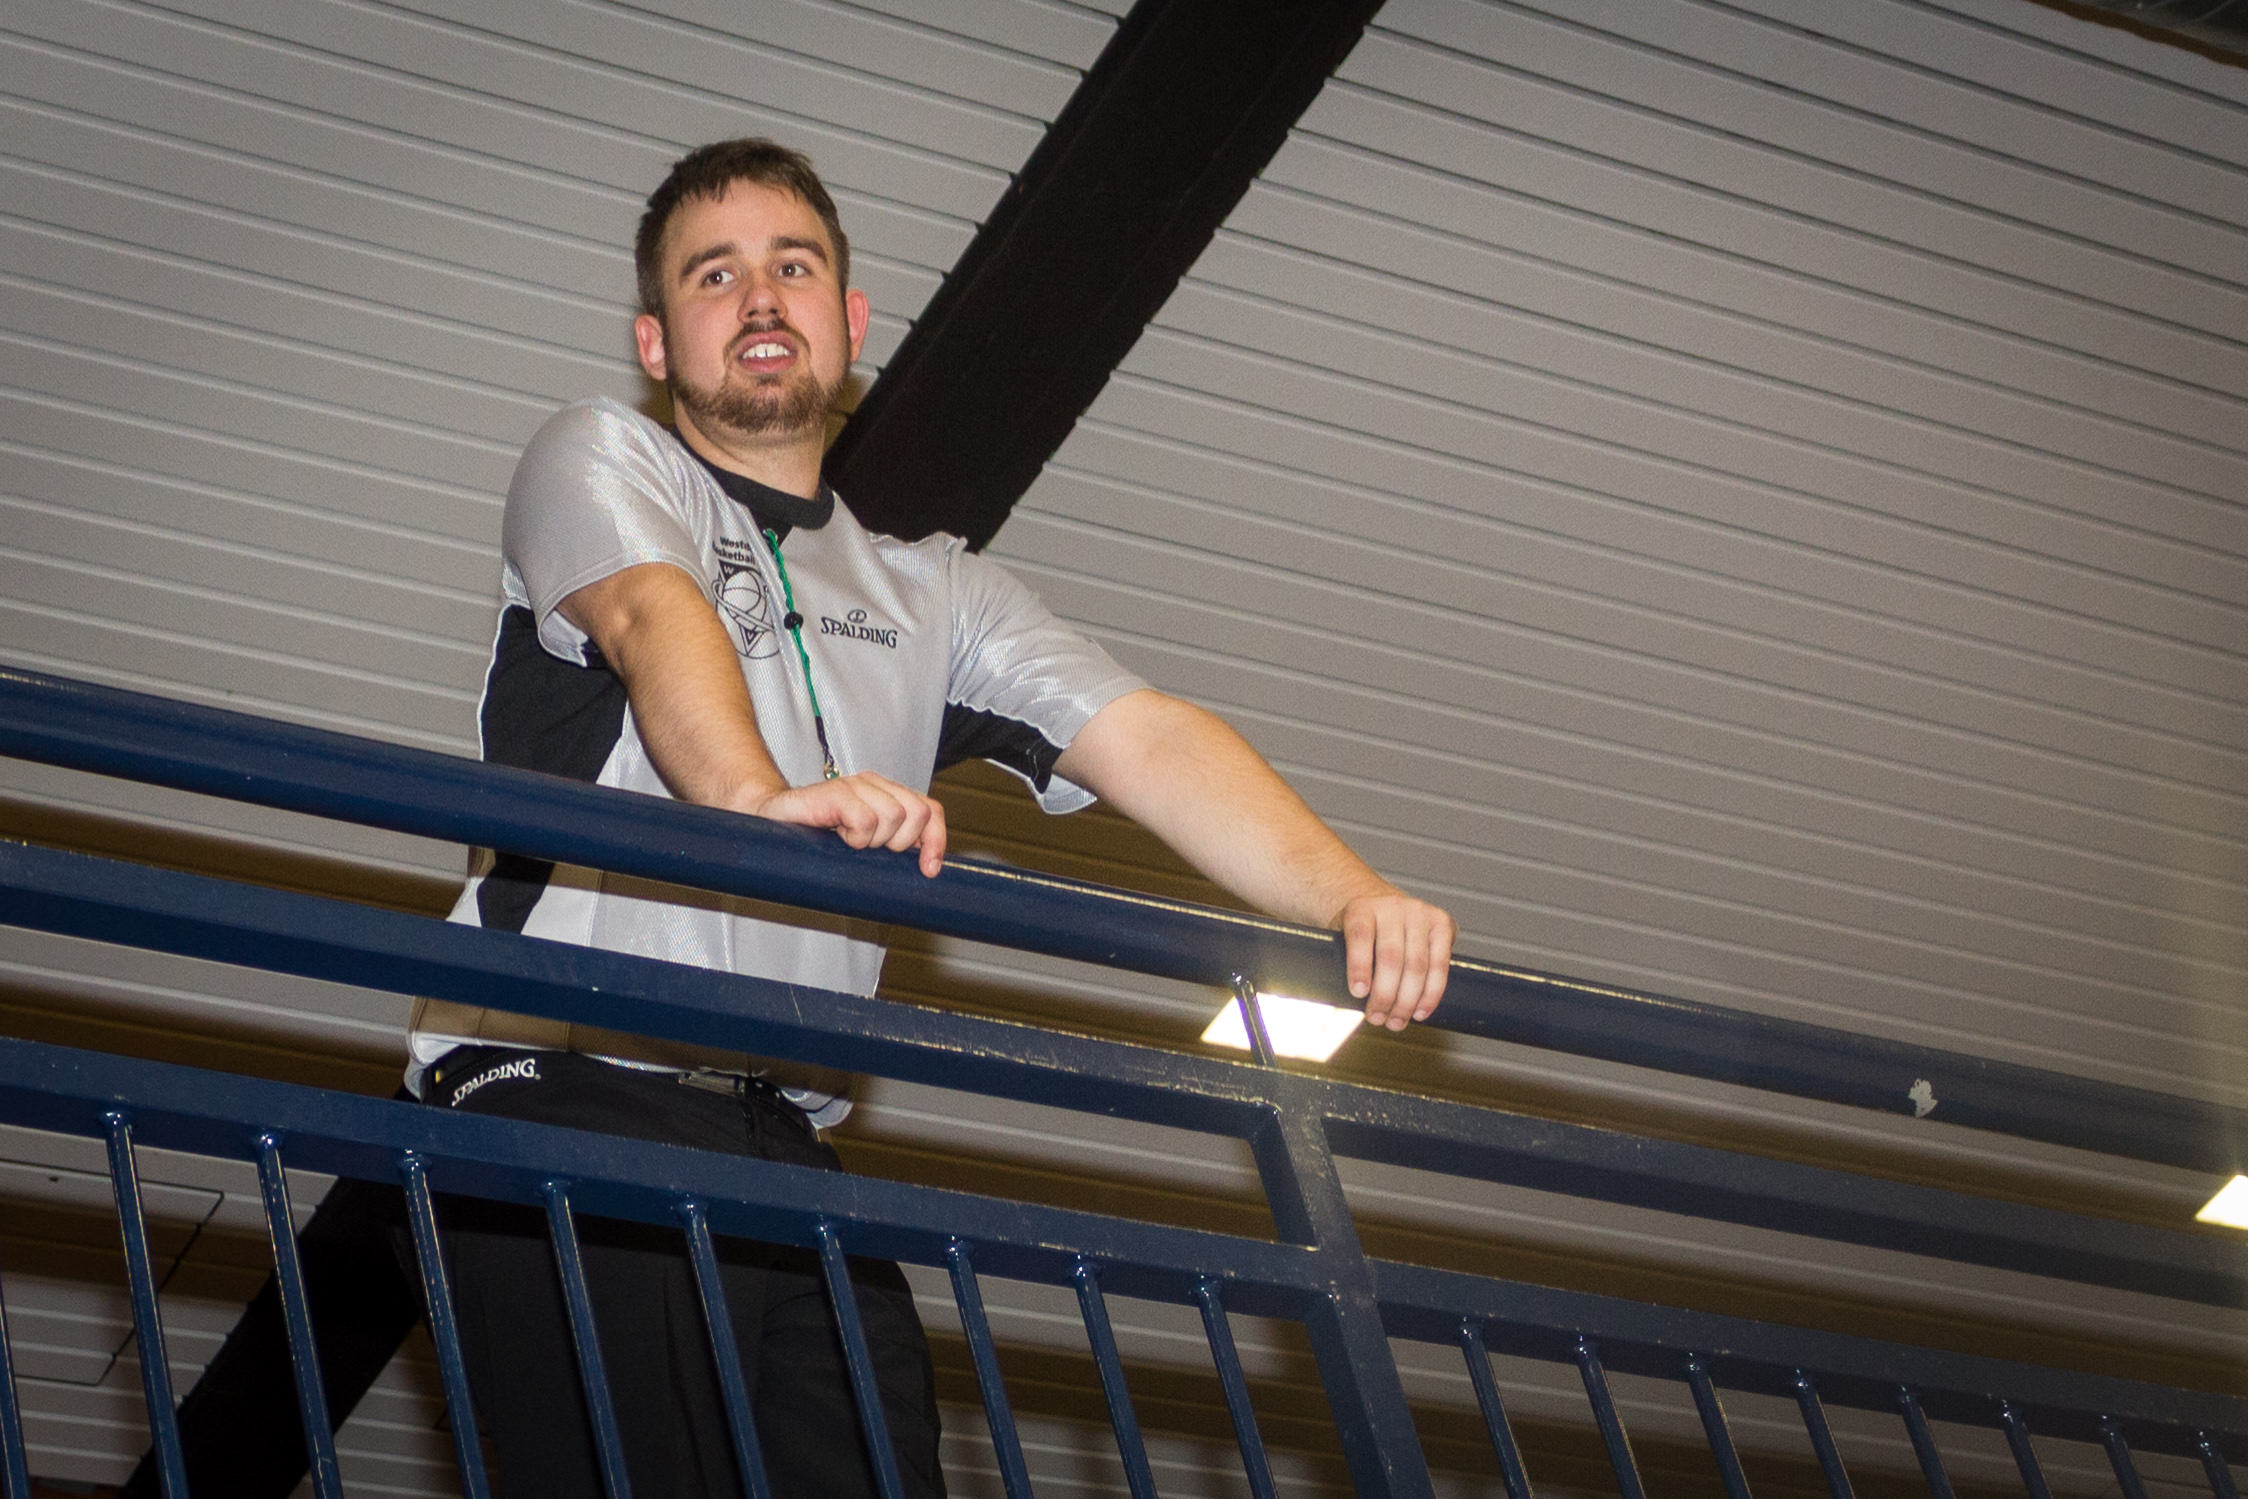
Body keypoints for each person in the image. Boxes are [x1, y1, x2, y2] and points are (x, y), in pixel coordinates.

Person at [392, 137, 1455, 1499]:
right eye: (714, 275)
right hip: (562, 1090)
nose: (760, 296)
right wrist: (758, 803)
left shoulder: (933, 592)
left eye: (794, 266)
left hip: (785, 1138)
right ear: (655, 342)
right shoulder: (597, 456)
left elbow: (1149, 736)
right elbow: (656, 615)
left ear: (850, 321)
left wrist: (1353, 895)